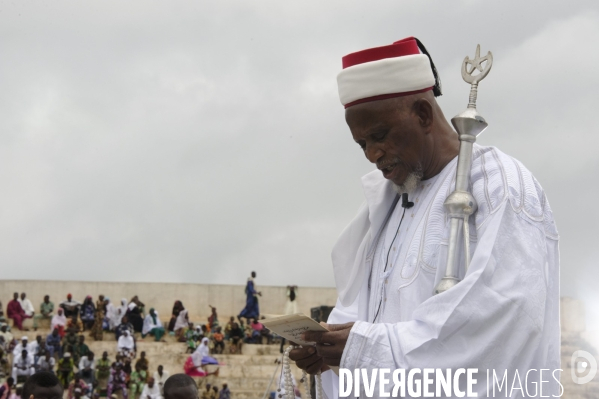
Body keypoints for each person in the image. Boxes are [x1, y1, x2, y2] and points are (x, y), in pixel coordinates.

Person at [288, 37, 561, 397]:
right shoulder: (383, 209)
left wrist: (366, 349)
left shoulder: (500, 185)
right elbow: (369, 324)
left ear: (422, 114)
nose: (372, 154)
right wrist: (333, 351)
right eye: (362, 144)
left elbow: (506, 319)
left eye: (379, 136)